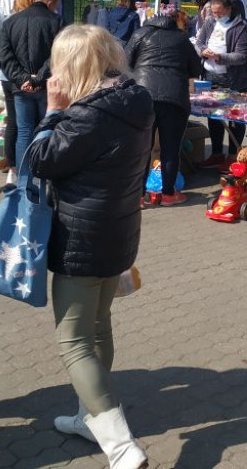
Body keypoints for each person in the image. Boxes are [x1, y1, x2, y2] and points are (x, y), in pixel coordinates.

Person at [26, 25, 152, 469]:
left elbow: (40, 160)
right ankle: (88, 416)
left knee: (75, 341)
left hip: (82, 238)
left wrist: (52, 111)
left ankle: (120, 446)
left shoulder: (85, 115)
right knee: (99, 327)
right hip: (119, 232)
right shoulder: (137, 100)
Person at [126, 7, 204, 205]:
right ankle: (169, 194)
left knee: (142, 148)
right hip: (175, 98)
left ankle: (138, 197)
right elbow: (196, 68)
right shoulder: (182, 39)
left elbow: (125, 62)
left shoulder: (140, 34)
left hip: (143, 97)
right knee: (171, 148)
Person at [0, 0, 64, 165]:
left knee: (24, 131)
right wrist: (38, 79)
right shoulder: (57, 21)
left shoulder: (10, 22)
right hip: (47, 86)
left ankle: (23, 178)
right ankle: (42, 175)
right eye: (55, 6)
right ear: (50, 3)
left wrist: (22, 79)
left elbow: (4, 55)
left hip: (21, 88)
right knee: (46, 129)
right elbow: (58, 54)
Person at [194, 0, 247, 168]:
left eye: (219, 13)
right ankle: (216, 153)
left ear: (229, 10)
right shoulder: (210, 22)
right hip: (210, 77)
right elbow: (198, 42)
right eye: (214, 13)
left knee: (234, 118)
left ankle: (232, 156)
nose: (216, 16)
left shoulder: (242, 27)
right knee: (213, 116)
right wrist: (202, 51)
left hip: (234, 80)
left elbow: (242, 55)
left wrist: (219, 57)